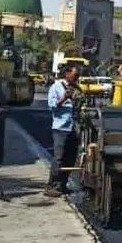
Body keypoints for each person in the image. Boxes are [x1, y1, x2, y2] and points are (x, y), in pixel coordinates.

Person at [45, 63, 85, 198]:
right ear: (67, 74)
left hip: (73, 127)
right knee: (59, 158)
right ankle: (52, 185)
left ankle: (63, 184)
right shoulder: (56, 88)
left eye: (78, 76)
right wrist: (64, 98)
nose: (76, 78)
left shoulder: (77, 88)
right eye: (75, 76)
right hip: (60, 128)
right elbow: (52, 107)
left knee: (71, 157)